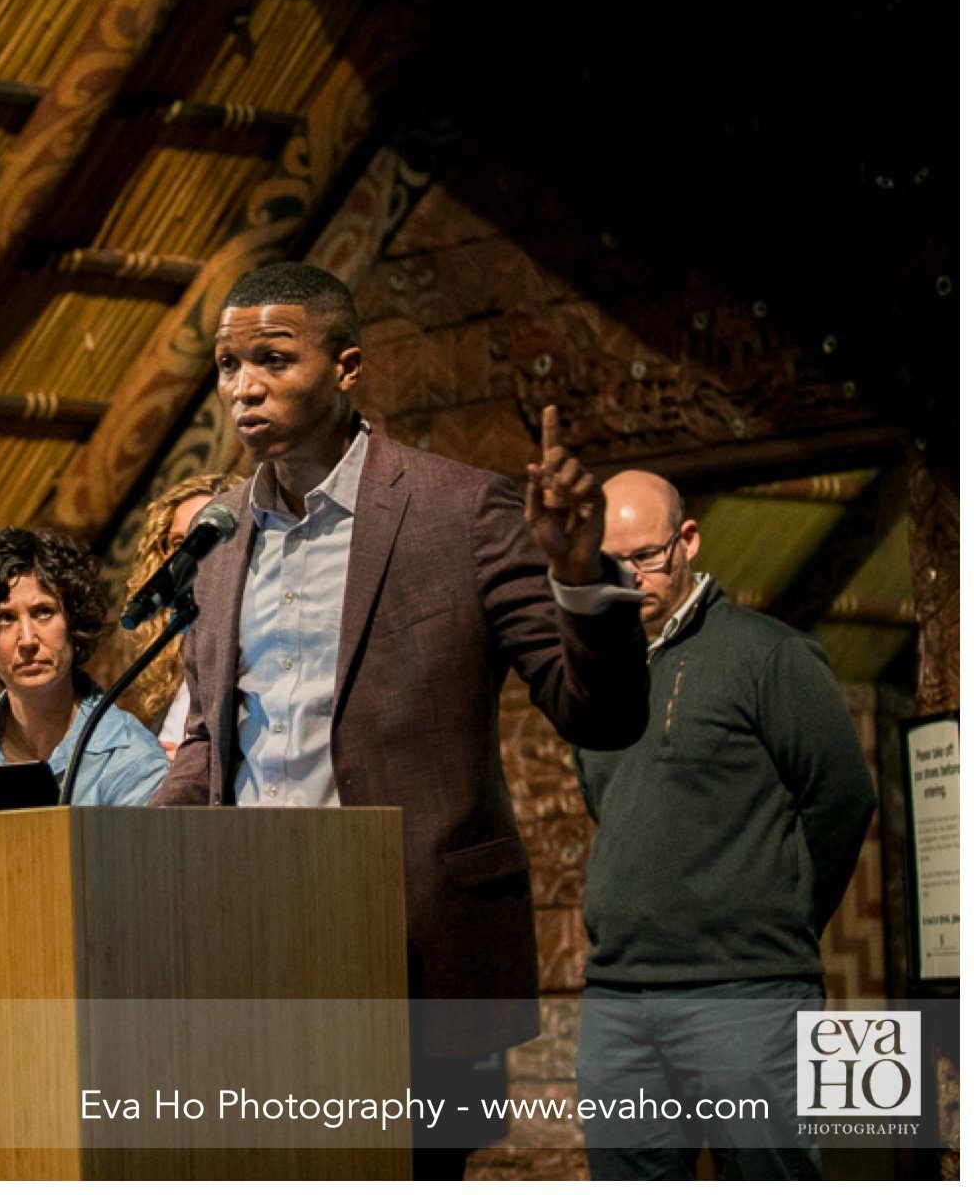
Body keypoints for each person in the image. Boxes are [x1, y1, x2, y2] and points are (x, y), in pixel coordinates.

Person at [149, 261, 650, 1177]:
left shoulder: (462, 510)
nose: (243, 386)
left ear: (346, 368)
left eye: (272, 358)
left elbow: (599, 714)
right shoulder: (217, 537)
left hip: (412, 938)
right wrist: (130, 853)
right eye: (227, 365)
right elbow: (213, 742)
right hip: (253, 941)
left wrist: (580, 576)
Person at [575, 471, 877, 1179]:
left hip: (747, 995)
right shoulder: (597, 670)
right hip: (618, 997)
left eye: (646, 556)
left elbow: (842, 799)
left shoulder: (768, 655)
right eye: (611, 562)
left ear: (688, 540)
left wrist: (780, 914)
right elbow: (609, 802)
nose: (630, 576)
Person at [0, 528, 169, 806]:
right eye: (6, 619)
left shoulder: (132, 759)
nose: (28, 639)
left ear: (73, 624)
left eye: (43, 612)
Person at [116, 472, 242, 754]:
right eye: (178, 545)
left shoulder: (255, 652)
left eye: (204, 542)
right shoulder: (175, 664)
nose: (189, 559)